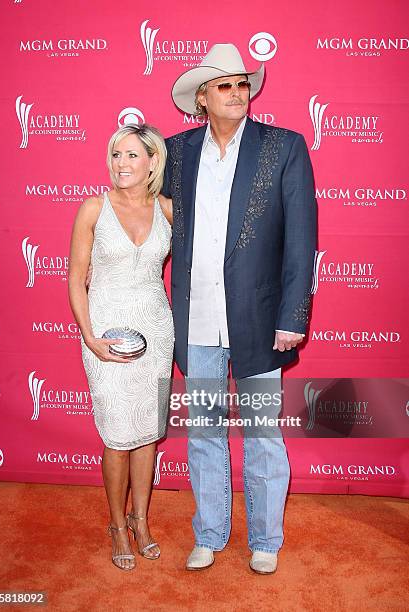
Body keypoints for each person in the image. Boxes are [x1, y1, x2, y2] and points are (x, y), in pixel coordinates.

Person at [162, 43, 317, 573]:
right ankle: (209, 531)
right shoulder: (176, 152)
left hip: (258, 318)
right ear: (202, 97)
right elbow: (136, 194)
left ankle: (266, 540)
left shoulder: (284, 146)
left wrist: (293, 316)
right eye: (223, 84)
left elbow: (301, 238)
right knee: (204, 431)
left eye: (242, 83)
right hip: (197, 318)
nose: (236, 92)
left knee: (262, 434)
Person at [68, 124, 174, 571]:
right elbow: (75, 277)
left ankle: (141, 520)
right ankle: (116, 525)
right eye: (116, 154)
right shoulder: (94, 207)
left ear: (152, 161)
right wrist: (91, 337)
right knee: (117, 436)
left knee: (148, 433)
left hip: (156, 330)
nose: (122, 163)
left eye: (132, 155)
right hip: (107, 335)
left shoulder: (168, 209)